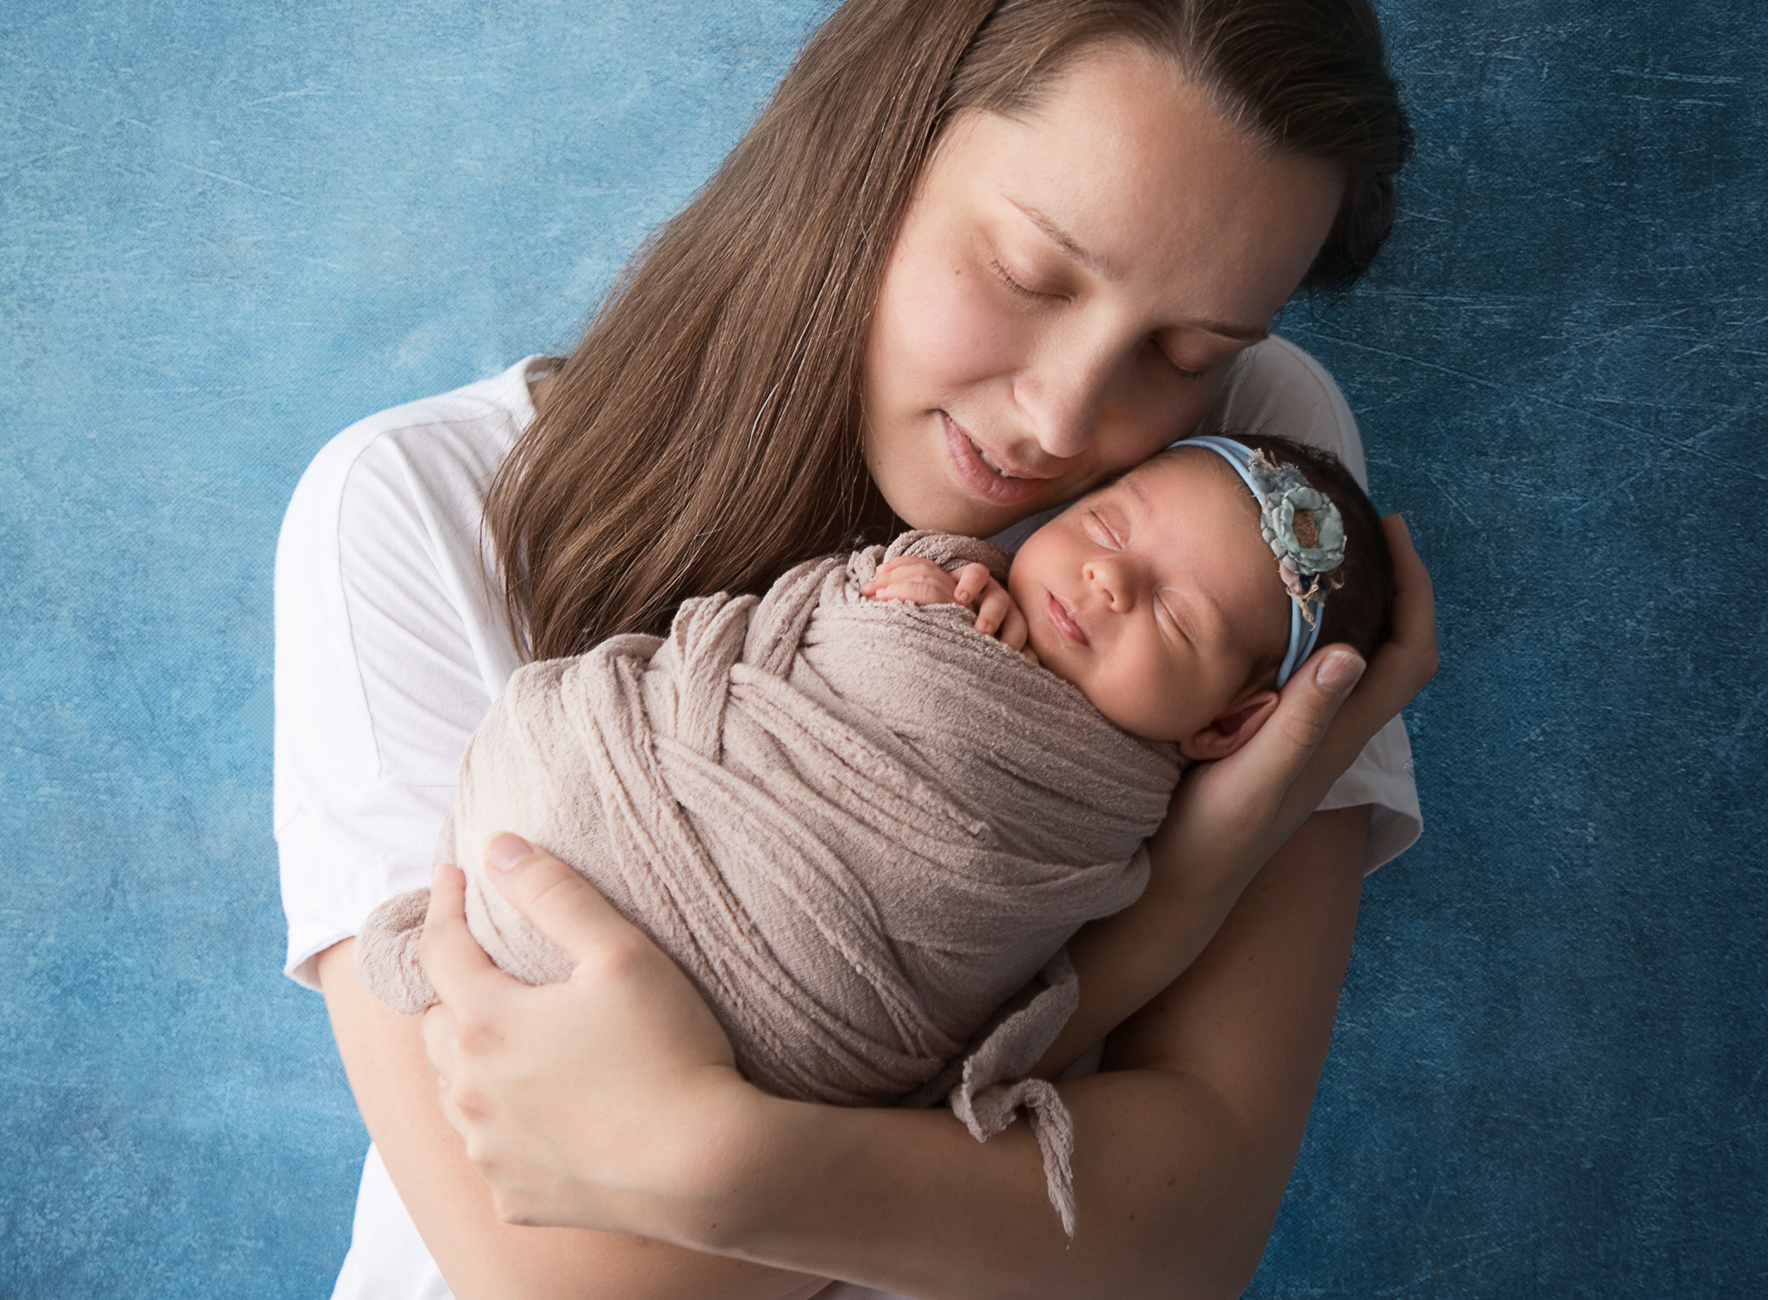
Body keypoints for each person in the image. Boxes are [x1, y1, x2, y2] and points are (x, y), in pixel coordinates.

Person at [276, 0, 1439, 1300]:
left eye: (1185, 344)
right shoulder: (418, 508)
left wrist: (717, 1161)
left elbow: (1194, 1211)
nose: (1071, 418)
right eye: (1030, 271)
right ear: (871, 146)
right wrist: (1167, 905)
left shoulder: (1243, 485)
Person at [351, 437, 1394, 1246]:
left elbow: (999, 914)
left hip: (790, 998)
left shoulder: (1108, 801)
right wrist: (915, 596)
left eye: (1179, 621)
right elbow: (829, 621)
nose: (1109, 584)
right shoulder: (396, 490)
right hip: (605, 798)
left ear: (1223, 729)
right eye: (1110, 527)